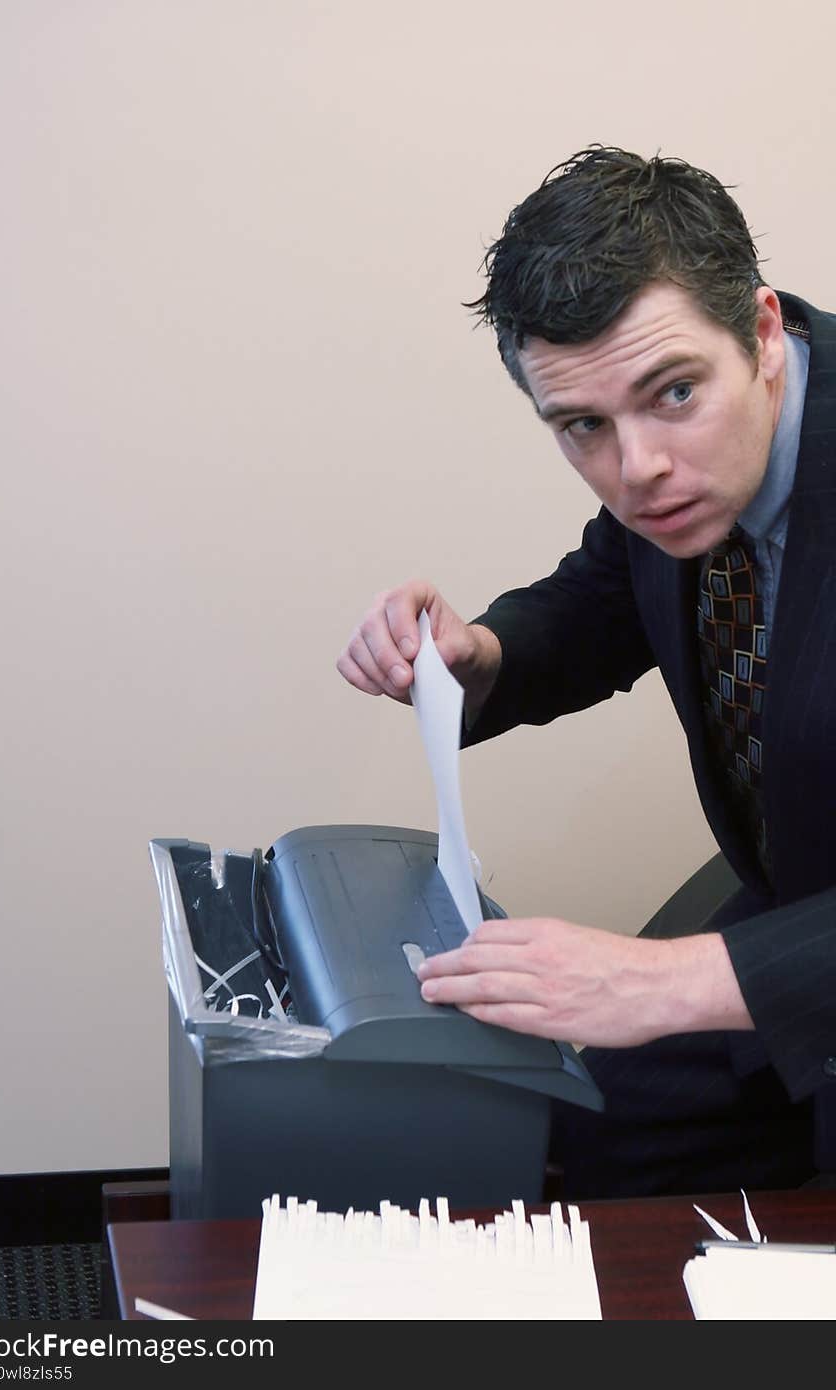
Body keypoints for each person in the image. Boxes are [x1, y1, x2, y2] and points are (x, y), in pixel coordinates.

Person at [336, 147, 836, 1200]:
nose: (637, 468)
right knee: (592, 1117)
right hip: (800, 909)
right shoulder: (672, 473)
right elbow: (609, 592)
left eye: (673, 394)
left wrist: (661, 978)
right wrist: (480, 658)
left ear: (760, 334)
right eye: (582, 428)